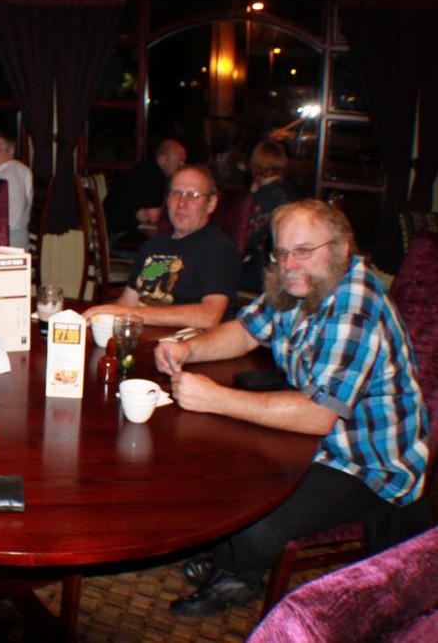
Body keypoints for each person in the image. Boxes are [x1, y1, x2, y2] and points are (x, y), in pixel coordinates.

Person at [156, 199, 430, 618]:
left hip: (366, 462)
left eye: (303, 250)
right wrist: (188, 348)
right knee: (215, 463)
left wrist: (216, 398)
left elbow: (318, 415)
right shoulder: (297, 284)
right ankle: (230, 554)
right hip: (315, 439)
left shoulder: (354, 308)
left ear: (341, 250)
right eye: (282, 252)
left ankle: (240, 577)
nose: (289, 264)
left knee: (255, 516)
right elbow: (246, 331)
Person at [83, 164, 240, 329]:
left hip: (187, 342)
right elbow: (127, 302)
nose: (182, 203)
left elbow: (209, 317)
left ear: (211, 203)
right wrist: (97, 317)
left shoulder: (220, 249)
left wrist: (129, 314)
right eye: (176, 193)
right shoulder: (153, 246)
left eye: (193, 195)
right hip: (139, 336)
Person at [239, 139, 299, 292]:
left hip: (266, 270)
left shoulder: (267, 195)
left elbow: (247, 238)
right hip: (286, 262)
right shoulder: (289, 189)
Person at [102, 138, 187, 237]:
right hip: (119, 233)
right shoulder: (149, 175)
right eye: (178, 161)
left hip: (128, 228)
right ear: (163, 159)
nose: (182, 166)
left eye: (183, 161)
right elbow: (153, 215)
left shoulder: (154, 172)